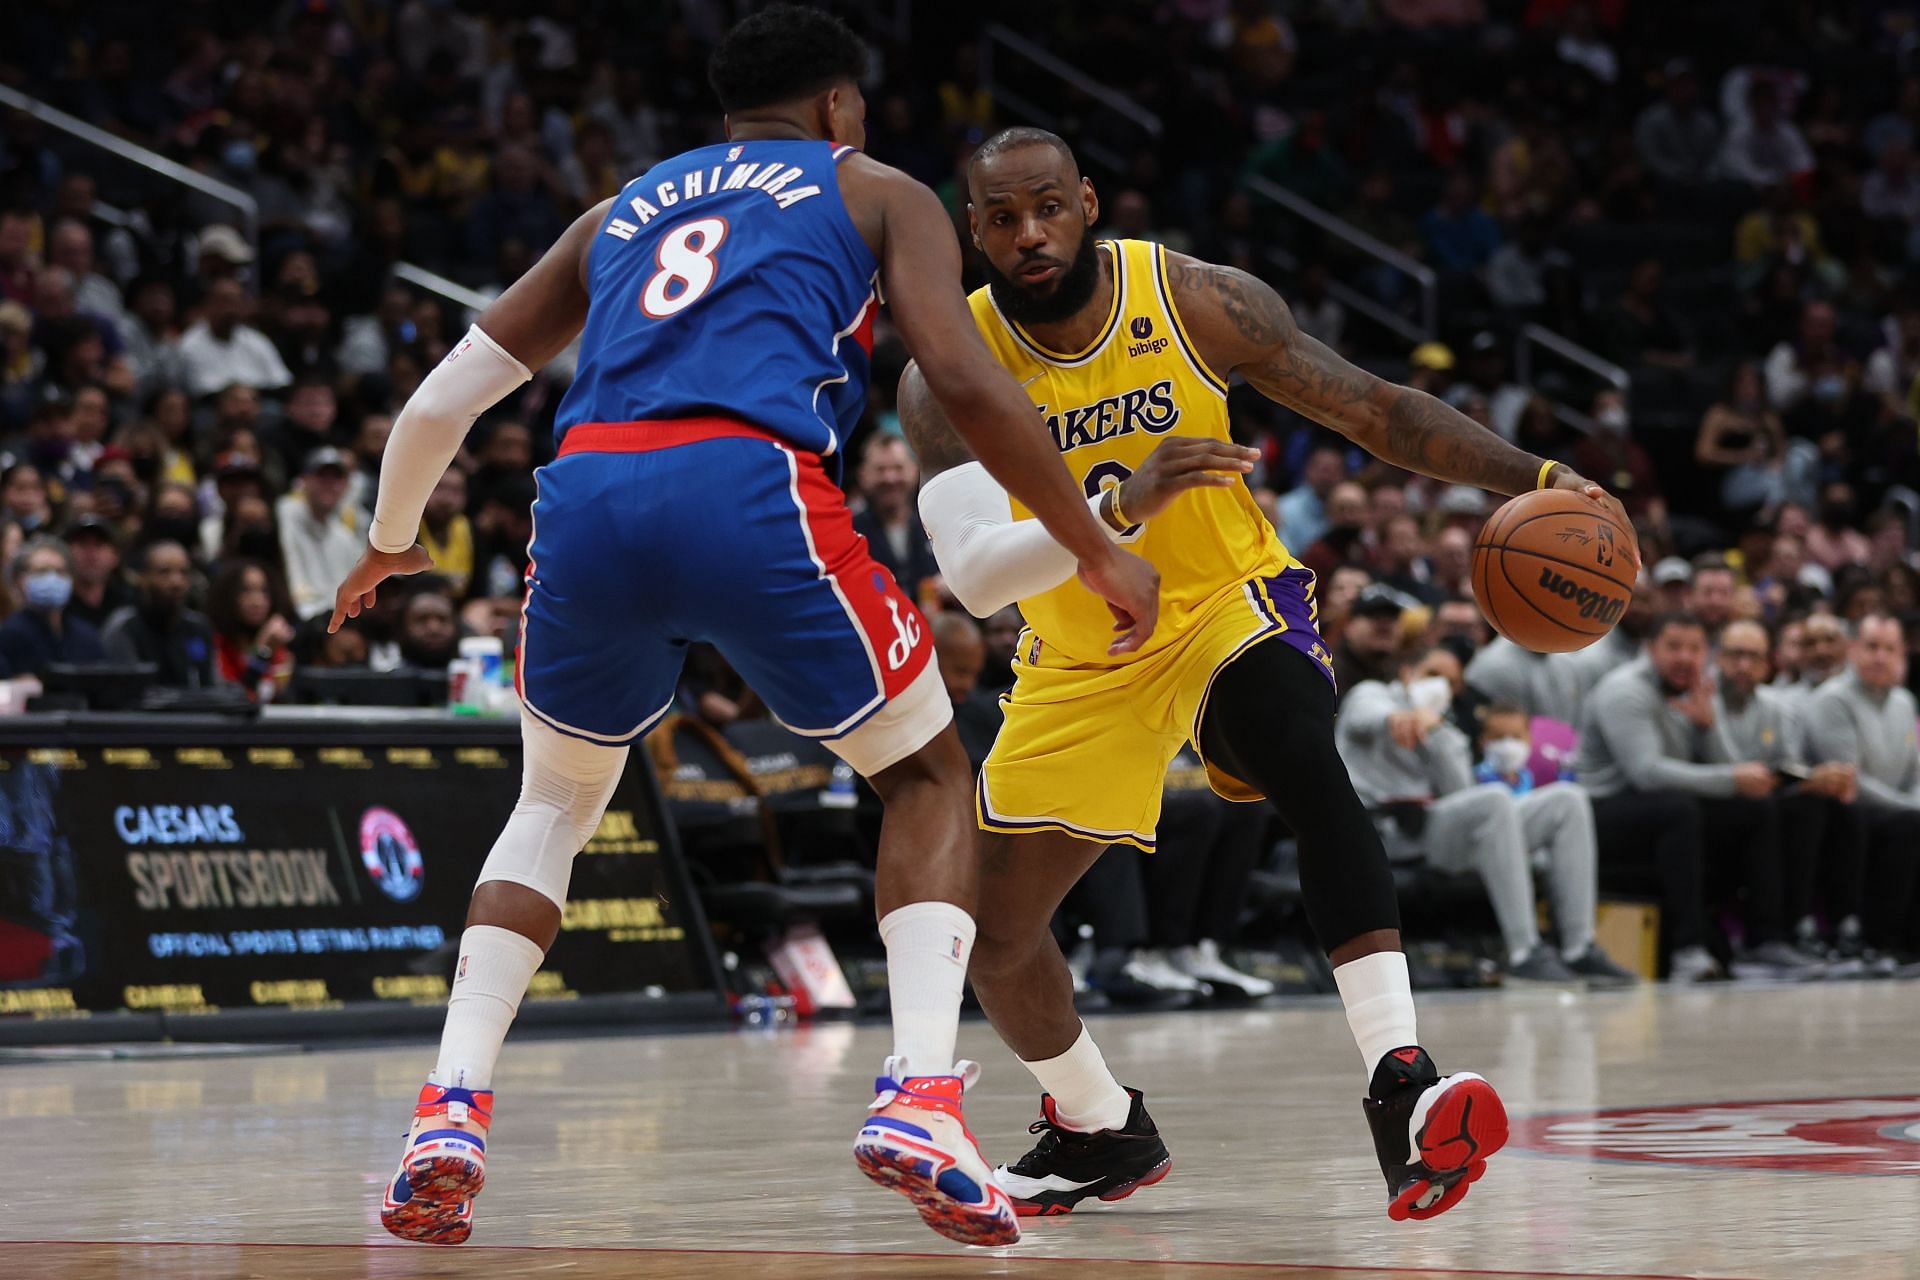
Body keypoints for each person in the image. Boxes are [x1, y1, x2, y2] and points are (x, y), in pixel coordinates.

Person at [329, 8, 1160, 1250]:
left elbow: (447, 393)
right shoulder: (874, 189)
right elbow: (967, 377)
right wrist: (1094, 541)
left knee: (551, 805)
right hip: (747, 481)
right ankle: (924, 1096)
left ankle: (447, 1110)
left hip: (589, 492)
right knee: (929, 773)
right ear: (838, 105)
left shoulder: (621, 207)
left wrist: (397, 535)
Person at [900, 125, 1635, 1222]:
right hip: (1080, 652)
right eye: (1003, 218)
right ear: (973, 230)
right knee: (998, 933)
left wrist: (1533, 474)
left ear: (1087, 202)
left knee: (1298, 750)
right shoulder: (945, 373)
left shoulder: (1193, 299)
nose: (1030, 233)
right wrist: (1119, 506)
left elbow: (1376, 409)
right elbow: (972, 580)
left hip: (1222, 602)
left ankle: (1403, 1079)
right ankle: (1097, 1124)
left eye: (1049, 206)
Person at [1338, 659, 1630, 987]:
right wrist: (1396, 718)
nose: (1438, 686)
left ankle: (1580, 947)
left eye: (1449, 682)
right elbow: (1363, 715)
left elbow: (1460, 794)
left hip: (1434, 829)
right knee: (1494, 799)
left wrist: (1437, 734)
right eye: (1432, 674)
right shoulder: (1375, 694)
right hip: (1385, 832)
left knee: (1568, 799)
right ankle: (1524, 952)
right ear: (1408, 673)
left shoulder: (1445, 727)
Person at [1575, 613, 1816, 982]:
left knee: (1758, 811)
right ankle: (1688, 949)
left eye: (1694, 649)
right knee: (1680, 810)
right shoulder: (1624, 691)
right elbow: (1647, 774)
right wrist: (1732, 778)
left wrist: (1708, 730)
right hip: (1602, 810)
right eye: (1674, 647)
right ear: (1650, 649)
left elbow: (1714, 771)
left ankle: (1765, 940)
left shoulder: (1697, 690)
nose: (1684, 658)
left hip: (1660, 811)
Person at [1711, 620, 1862, 964]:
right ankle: (1770, 935)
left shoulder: (1774, 708)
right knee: (1772, 812)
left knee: (1827, 807)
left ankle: (1839, 929)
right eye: (1735, 655)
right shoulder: (1702, 698)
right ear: (1718, 658)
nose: (1743, 666)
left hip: (1761, 800)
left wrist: (1811, 780)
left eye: (1753, 657)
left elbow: (1787, 764)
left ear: (1768, 664)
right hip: (1714, 804)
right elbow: (1717, 764)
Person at [1805, 615, 1920, 964]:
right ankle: (1880, 941)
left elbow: (1915, 771)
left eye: (1890, 649)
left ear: (1903, 654)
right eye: (1872, 647)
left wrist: (1912, 803)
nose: (1880, 657)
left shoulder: (1904, 701)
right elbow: (1847, 778)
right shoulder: (1832, 699)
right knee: (1908, 827)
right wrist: (1909, 808)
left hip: (1897, 810)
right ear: (1853, 650)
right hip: (1847, 812)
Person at [102, 540, 215, 687]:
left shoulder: (199, 627)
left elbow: (211, 687)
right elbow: (126, 693)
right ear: (143, 578)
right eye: (164, 572)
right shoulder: (124, 628)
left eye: (184, 572)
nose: (176, 582)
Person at [278, 447, 367, 621]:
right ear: (304, 480)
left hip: (335, 622)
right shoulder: (284, 514)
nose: (329, 484)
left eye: (336, 478)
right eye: (322, 476)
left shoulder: (345, 537)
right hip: (294, 618)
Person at [0, 538, 108, 678]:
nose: (52, 578)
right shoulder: (9, 636)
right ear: (19, 579)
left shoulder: (86, 636)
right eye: (41, 571)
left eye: (60, 571)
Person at [851, 433, 939, 604]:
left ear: (914, 469)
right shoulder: (849, 532)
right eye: (880, 470)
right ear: (863, 475)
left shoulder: (939, 524)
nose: (890, 478)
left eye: (898, 468)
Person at [204, 559, 295, 699]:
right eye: (246, 591)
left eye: (264, 591)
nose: (257, 601)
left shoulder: (278, 648)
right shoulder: (217, 646)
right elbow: (240, 699)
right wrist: (262, 651)